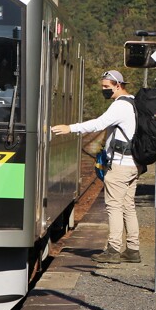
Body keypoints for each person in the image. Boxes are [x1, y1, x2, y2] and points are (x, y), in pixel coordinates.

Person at [51, 70, 140, 264]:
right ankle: (133, 249)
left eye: (107, 87)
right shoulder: (134, 102)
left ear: (118, 85)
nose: (104, 90)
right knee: (128, 206)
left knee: (114, 207)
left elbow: (98, 124)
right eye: (103, 87)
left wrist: (70, 128)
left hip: (120, 165)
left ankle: (114, 249)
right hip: (133, 163)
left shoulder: (120, 106)